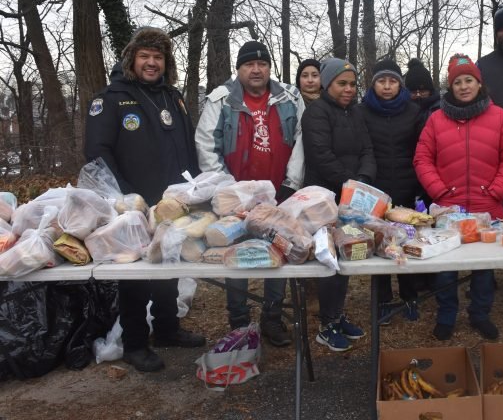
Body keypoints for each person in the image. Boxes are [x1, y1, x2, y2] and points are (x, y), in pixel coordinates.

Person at [85, 27, 205, 372]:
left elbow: (186, 147)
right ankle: (135, 343)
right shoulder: (110, 98)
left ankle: (167, 328)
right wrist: (123, 196)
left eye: (158, 57)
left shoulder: (173, 97)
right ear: (132, 61)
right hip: (131, 204)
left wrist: (194, 189)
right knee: (134, 274)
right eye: (145, 57)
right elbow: (96, 152)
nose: (152, 63)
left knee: (168, 263)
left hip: (172, 202)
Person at [195, 41, 304, 346]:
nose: (256, 70)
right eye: (248, 65)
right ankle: (239, 322)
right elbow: (206, 144)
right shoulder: (221, 99)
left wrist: (291, 183)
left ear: (269, 68)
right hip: (235, 196)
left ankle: (272, 318)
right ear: (239, 69)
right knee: (235, 255)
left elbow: (301, 139)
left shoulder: (288, 97)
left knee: (278, 252)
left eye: (262, 64)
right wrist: (226, 188)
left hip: (279, 194)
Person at [414, 54, 503, 341]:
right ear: (451, 87)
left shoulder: (499, 117)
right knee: (446, 268)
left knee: (484, 268)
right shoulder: (436, 119)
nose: (463, 86)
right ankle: (446, 315)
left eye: (469, 80)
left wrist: (497, 190)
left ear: (479, 83)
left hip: (488, 207)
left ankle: (480, 314)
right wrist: (439, 191)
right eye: (457, 82)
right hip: (448, 211)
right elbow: (422, 159)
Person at [301, 57, 374, 351]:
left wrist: (363, 180)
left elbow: (368, 149)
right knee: (329, 261)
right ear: (327, 84)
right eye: (342, 84)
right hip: (324, 198)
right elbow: (320, 154)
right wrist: (349, 184)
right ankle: (326, 324)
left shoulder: (355, 113)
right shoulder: (316, 112)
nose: (348, 89)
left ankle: (337, 315)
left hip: (351, 197)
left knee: (345, 257)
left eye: (353, 84)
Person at [359, 58, 424, 323]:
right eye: (381, 81)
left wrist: (419, 187)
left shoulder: (413, 111)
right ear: (373, 84)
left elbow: (421, 148)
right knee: (380, 244)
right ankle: (383, 300)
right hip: (376, 189)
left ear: (400, 84)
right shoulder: (362, 111)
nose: (387, 87)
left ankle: (410, 296)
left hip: (407, 186)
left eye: (393, 81)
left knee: (407, 242)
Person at [404, 58, 440, 128]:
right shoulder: (402, 110)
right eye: (413, 92)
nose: (418, 95)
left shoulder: (440, 110)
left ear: (430, 91)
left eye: (422, 91)